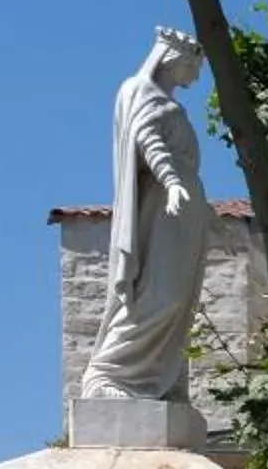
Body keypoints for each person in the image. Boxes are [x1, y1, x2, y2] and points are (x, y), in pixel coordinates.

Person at [79, 28, 210, 402]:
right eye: (193, 67)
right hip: (163, 207)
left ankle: (158, 380)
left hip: (185, 212)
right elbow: (147, 138)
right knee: (158, 294)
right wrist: (171, 182)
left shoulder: (171, 103)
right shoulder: (139, 90)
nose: (196, 78)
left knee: (180, 300)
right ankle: (111, 375)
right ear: (173, 59)